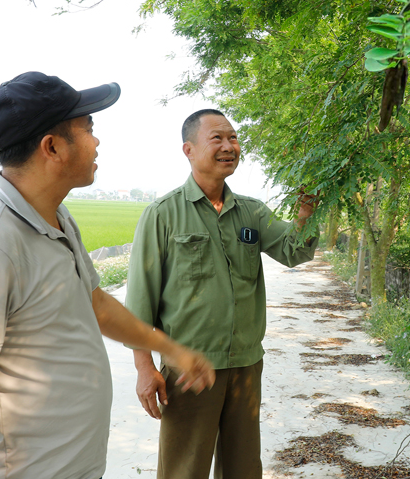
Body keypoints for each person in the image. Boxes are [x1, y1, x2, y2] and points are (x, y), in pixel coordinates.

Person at [0, 72, 215, 479]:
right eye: (89, 129)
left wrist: (171, 350)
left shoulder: (56, 216)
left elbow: (95, 304)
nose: (97, 142)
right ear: (53, 146)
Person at [125, 109, 318, 479]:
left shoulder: (251, 212)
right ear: (189, 149)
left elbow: (293, 251)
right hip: (189, 369)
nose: (229, 146)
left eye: (233, 138)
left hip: (245, 365)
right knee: (184, 470)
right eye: (217, 138)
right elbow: (139, 304)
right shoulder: (162, 215)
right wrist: (144, 367)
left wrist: (305, 216)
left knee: (243, 468)